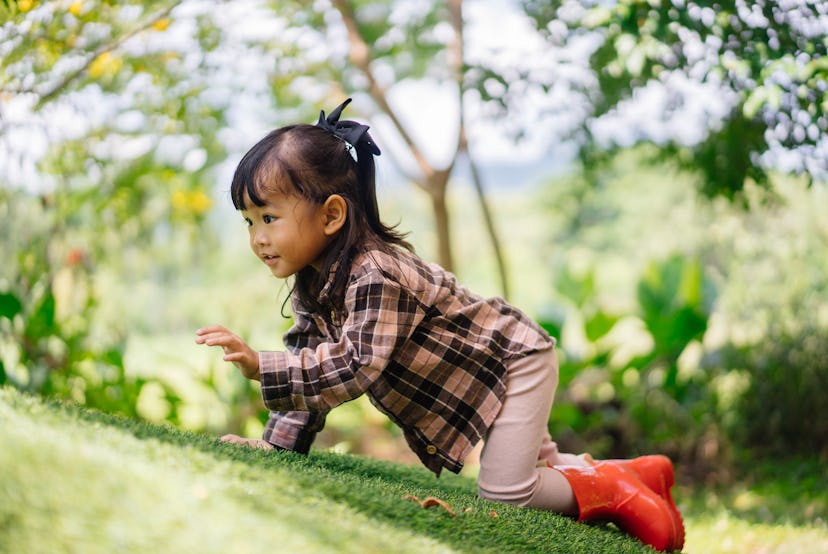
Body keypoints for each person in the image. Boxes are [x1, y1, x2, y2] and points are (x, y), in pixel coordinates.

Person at [195, 99, 685, 552]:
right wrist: (274, 446)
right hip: (482, 372)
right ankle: (628, 474)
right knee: (537, 470)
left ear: (332, 216)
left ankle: (612, 488)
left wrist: (265, 367)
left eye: (269, 217)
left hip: (510, 362)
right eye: (248, 222)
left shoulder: (375, 274)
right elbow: (309, 356)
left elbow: (354, 366)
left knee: (506, 494)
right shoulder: (316, 281)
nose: (258, 238)